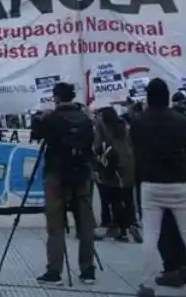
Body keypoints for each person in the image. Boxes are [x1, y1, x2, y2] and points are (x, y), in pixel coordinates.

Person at [29, 81, 96, 286]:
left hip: (56, 175)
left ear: (56, 97)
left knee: (55, 223)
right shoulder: (85, 119)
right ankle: (87, 270)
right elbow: (90, 143)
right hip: (81, 175)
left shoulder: (52, 118)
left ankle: (54, 271)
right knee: (85, 223)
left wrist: (39, 119)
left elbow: (36, 136)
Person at [129, 78, 186, 297]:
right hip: (179, 182)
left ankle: (147, 285)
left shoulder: (139, 121)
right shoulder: (180, 120)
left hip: (151, 184)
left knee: (151, 236)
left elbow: (136, 147)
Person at [94, 105, 139, 242]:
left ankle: (118, 229)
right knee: (126, 198)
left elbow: (97, 147)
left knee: (114, 200)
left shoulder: (104, 130)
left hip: (113, 167)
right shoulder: (123, 127)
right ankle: (129, 226)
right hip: (128, 166)